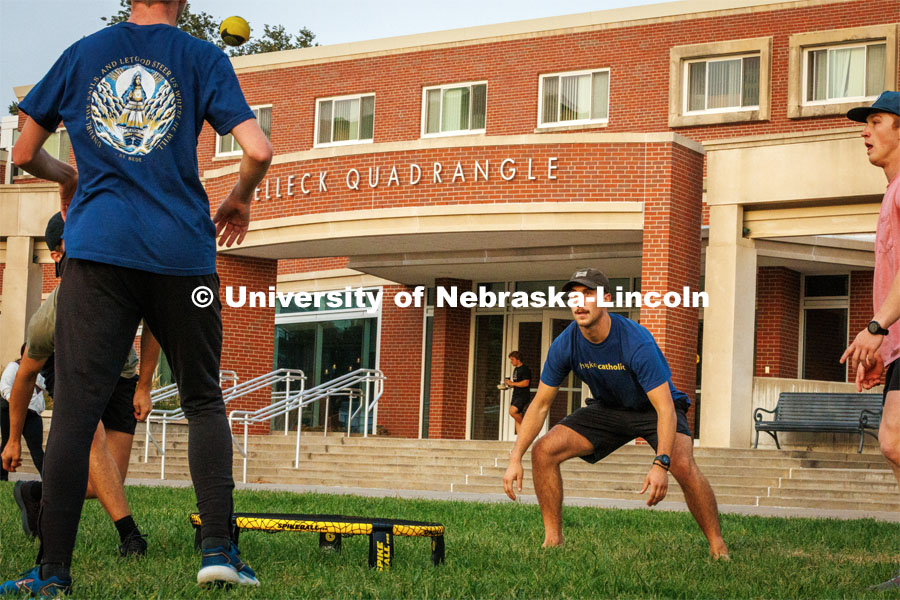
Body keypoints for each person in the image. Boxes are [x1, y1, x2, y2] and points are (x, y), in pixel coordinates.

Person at [1, 0, 272, 594]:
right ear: (183, 1)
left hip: (98, 252)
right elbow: (258, 149)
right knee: (203, 400)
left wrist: (68, 175)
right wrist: (241, 196)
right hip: (182, 250)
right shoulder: (202, 57)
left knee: (74, 411)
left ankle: (51, 572)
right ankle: (219, 551)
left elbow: (21, 155)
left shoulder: (81, 54)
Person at [502, 268, 729, 559]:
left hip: (653, 410)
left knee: (682, 464)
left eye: (588, 294)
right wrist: (515, 457)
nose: (580, 303)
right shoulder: (566, 343)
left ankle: (717, 544)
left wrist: (661, 462)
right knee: (544, 451)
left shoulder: (636, 342)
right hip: (608, 408)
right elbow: (541, 404)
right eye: (573, 296)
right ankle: (553, 541)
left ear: (607, 298)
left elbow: (665, 408)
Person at [5, 213, 157, 559]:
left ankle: (35, 495)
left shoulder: (124, 277)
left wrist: (144, 385)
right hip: (68, 365)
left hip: (121, 375)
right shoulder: (51, 315)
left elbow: (156, 325)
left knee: (110, 478)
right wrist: (13, 440)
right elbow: (25, 375)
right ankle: (130, 535)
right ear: (59, 254)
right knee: (93, 439)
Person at [839, 90, 900, 591]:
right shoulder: (892, 191)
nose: (865, 131)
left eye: (876, 121)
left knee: (894, 440)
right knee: (895, 446)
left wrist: (877, 328)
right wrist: (885, 346)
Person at [1, 344, 46, 480]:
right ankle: (2, 477)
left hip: (32, 414)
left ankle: (48, 480)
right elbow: (4, 386)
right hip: (10, 410)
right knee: (7, 443)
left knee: (36, 448)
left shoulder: (41, 374)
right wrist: (15, 403)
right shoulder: (13, 367)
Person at [505, 351, 532, 435]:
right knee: (517, 416)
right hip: (516, 395)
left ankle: (527, 427)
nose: (511, 362)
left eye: (512, 359)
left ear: (518, 359)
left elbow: (526, 383)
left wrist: (513, 383)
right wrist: (510, 384)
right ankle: (519, 439)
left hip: (522, 395)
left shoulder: (525, 369)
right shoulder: (516, 369)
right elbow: (518, 383)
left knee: (512, 411)